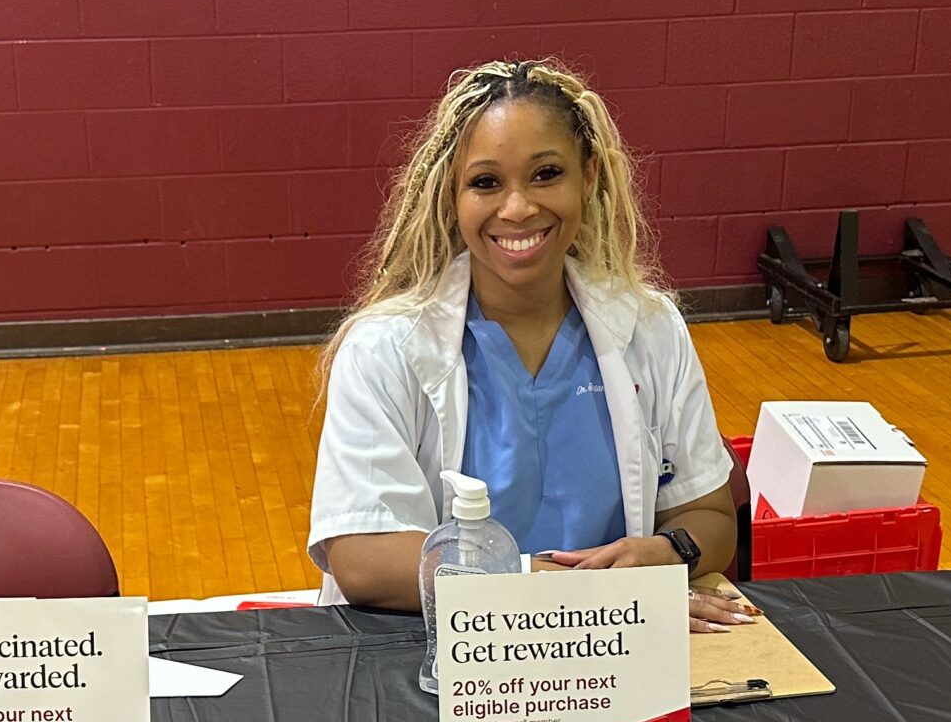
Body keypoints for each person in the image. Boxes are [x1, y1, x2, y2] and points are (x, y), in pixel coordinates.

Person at [308, 58, 755, 631]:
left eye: (546, 174)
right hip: (439, 653)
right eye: (485, 182)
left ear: (588, 177)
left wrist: (668, 553)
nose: (517, 207)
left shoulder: (650, 326)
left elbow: (710, 514)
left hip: (613, 647)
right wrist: (555, 590)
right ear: (452, 196)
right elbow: (364, 560)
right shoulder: (384, 347)